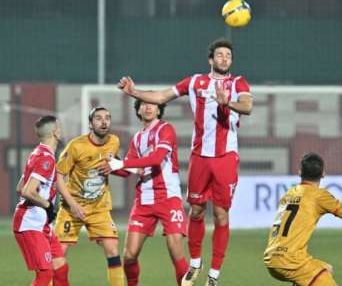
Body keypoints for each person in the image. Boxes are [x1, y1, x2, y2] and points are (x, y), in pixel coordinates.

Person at [118, 38, 253, 286]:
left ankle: (214, 273)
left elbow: (247, 106)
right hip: (200, 156)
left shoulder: (237, 82)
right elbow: (162, 95)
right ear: (211, 59)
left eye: (228, 56)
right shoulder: (194, 82)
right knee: (197, 210)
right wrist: (134, 92)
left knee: (221, 215)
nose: (225, 59)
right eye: (220, 55)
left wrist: (227, 103)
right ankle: (195, 262)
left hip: (226, 157)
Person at [99, 99, 190, 286]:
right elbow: (131, 170)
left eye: (153, 104)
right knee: (129, 256)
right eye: (143, 104)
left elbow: (156, 159)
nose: (148, 107)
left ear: (159, 109)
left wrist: (121, 163)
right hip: (144, 200)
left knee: (176, 251)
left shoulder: (166, 129)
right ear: (138, 111)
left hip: (168, 198)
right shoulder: (137, 138)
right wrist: (110, 166)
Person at [264, 152, 342, 286]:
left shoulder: (289, 194)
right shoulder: (318, 195)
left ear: (299, 173)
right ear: (323, 174)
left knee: (326, 268)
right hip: (291, 260)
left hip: (272, 257)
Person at [53, 107, 125, 286]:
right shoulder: (76, 146)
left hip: (99, 209)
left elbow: (115, 162)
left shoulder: (114, 142)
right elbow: (58, 177)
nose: (104, 122)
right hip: (71, 208)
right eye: (99, 118)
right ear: (90, 123)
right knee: (57, 254)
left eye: (107, 118)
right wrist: (73, 204)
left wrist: (117, 167)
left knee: (112, 248)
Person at [13, 115, 85, 286]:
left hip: (41, 224)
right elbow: (27, 190)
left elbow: (19, 187)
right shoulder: (46, 159)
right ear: (55, 133)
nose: (61, 131)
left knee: (60, 268)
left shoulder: (37, 154)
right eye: (59, 128)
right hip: (30, 223)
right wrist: (48, 206)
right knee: (45, 274)